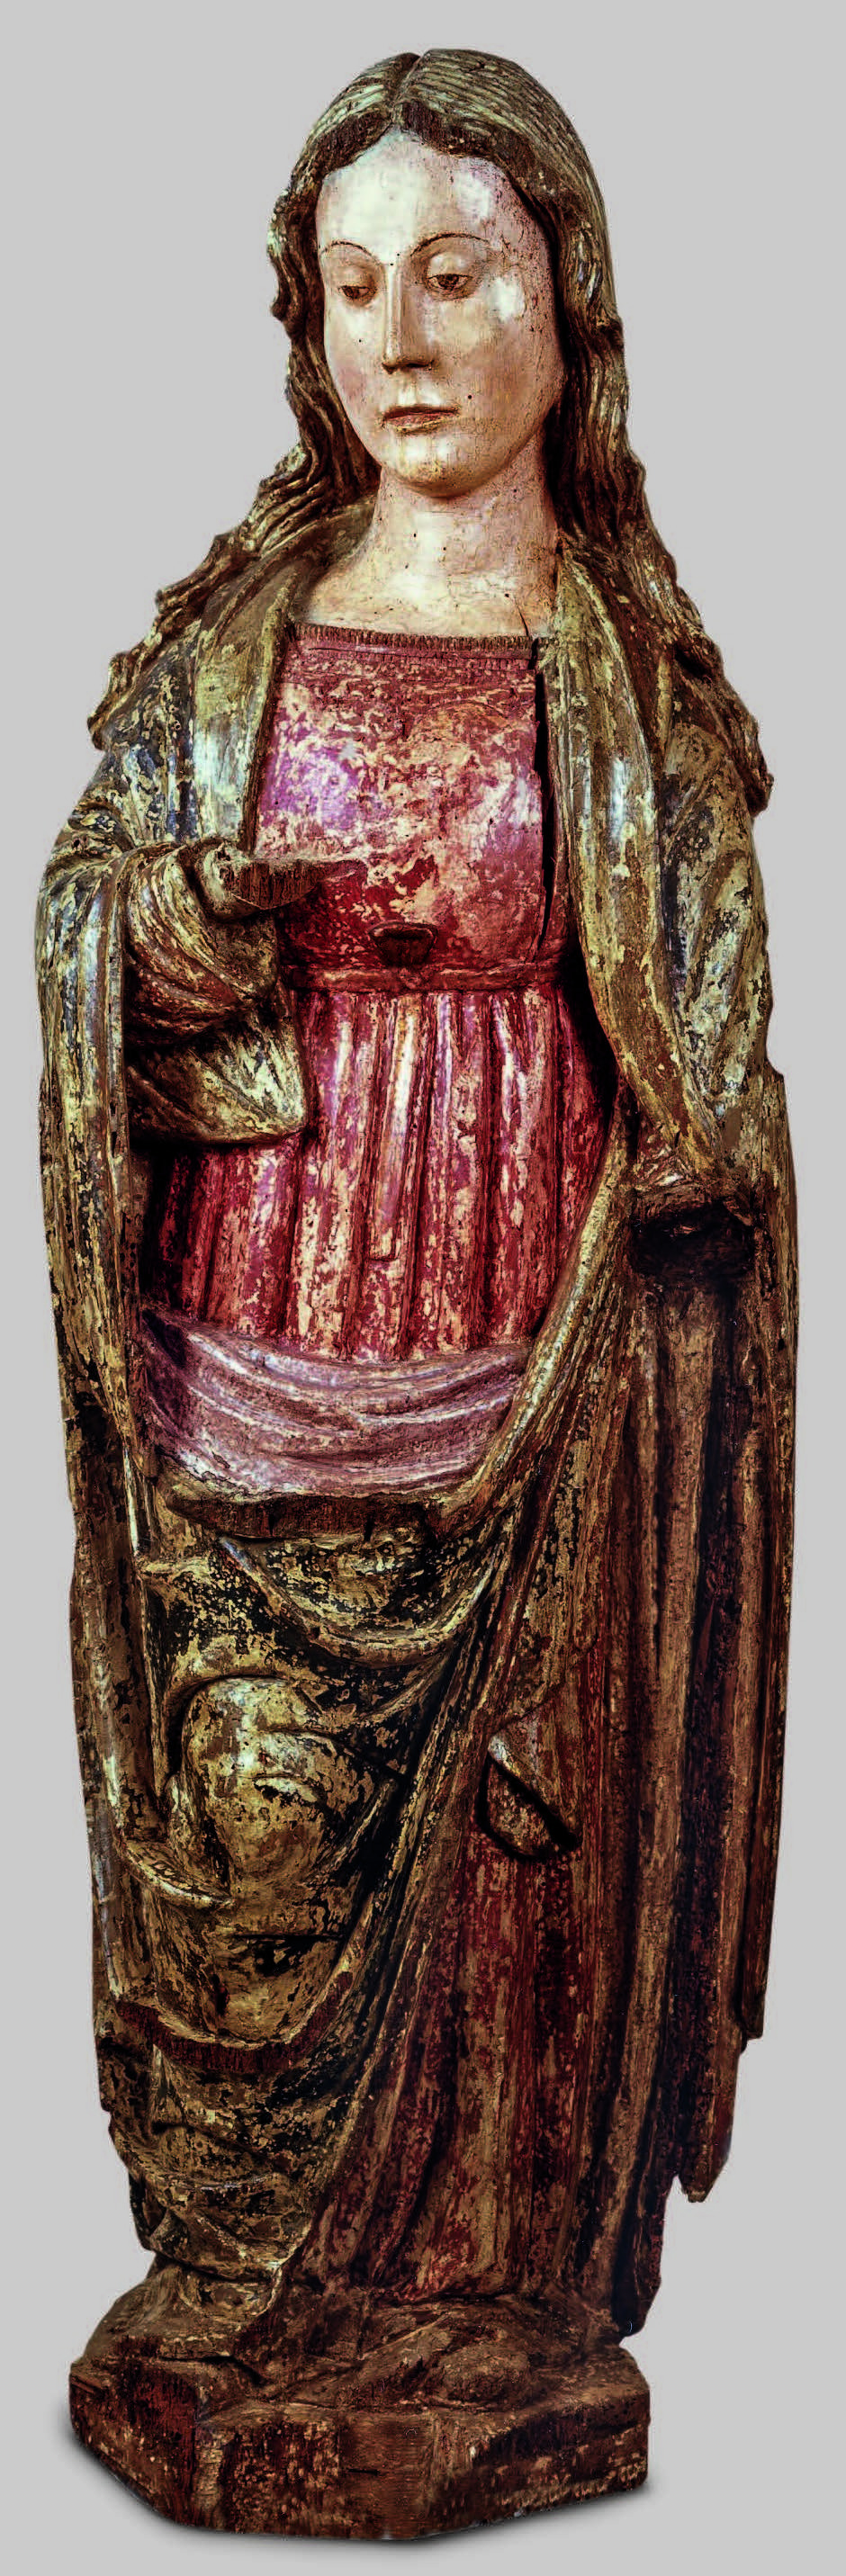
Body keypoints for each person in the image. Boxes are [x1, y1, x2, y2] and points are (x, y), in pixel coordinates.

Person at [37, 48, 796, 2530]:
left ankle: (484, 2286)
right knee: (252, 1808)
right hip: (249, 1335)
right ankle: (246, 2254)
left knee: (519, 1846)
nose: (401, 333)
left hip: (539, 1362)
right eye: (351, 284)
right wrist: (156, 941)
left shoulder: (627, 670)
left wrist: (698, 1172)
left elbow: (711, 1047)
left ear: (568, 303)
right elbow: (84, 914)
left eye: (456, 274)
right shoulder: (229, 638)